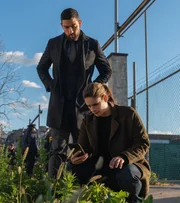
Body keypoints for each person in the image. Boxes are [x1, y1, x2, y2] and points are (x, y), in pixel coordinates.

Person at [36, 8, 111, 177]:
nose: (70, 31)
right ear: (61, 26)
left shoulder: (92, 44)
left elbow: (106, 70)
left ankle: (81, 190)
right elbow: (41, 67)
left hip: (84, 107)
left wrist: (94, 89)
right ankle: (54, 192)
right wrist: (50, 85)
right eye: (66, 27)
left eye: (74, 26)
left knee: (83, 150)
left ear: (80, 23)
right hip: (59, 106)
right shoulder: (53, 43)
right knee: (57, 151)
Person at [70, 82, 151, 203]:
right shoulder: (88, 120)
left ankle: (135, 201)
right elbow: (83, 147)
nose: (92, 109)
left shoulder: (128, 114)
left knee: (127, 175)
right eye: (89, 106)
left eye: (95, 104)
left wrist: (124, 157)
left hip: (129, 164)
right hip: (100, 166)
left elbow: (143, 143)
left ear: (105, 98)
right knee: (71, 168)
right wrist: (76, 158)